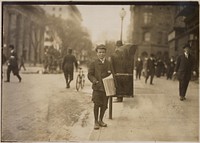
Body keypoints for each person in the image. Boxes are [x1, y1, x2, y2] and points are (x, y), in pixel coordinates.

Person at [88, 44, 112, 130]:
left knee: (104, 105)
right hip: (97, 88)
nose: (101, 54)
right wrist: (94, 80)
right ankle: (95, 121)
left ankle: (101, 120)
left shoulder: (109, 63)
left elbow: (111, 73)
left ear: (105, 53)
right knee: (97, 104)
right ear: (97, 53)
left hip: (106, 88)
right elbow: (90, 74)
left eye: (103, 52)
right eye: (99, 52)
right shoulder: (93, 63)